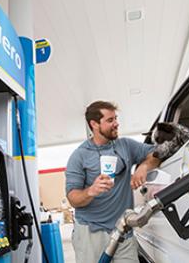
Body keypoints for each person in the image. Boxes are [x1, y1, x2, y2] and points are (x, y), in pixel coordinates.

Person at [66, 101, 160, 263]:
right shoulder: (79, 156)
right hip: (91, 232)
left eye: (115, 118)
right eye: (110, 120)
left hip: (123, 229)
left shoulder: (125, 146)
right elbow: (72, 198)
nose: (116, 123)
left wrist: (143, 166)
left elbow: (155, 154)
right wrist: (91, 191)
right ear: (94, 124)